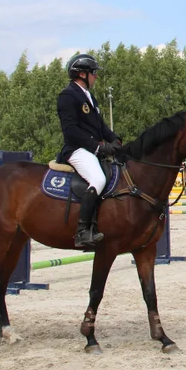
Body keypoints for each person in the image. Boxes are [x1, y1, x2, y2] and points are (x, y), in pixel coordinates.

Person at [57, 53, 122, 249]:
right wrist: (98, 147)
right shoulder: (68, 96)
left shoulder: (89, 97)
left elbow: (100, 126)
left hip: (91, 150)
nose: (96, 77)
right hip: (76, 150)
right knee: (99, 179)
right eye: (94, 73)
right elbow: (71, 130)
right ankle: (83, 231)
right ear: (82, 74)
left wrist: (115, 140)